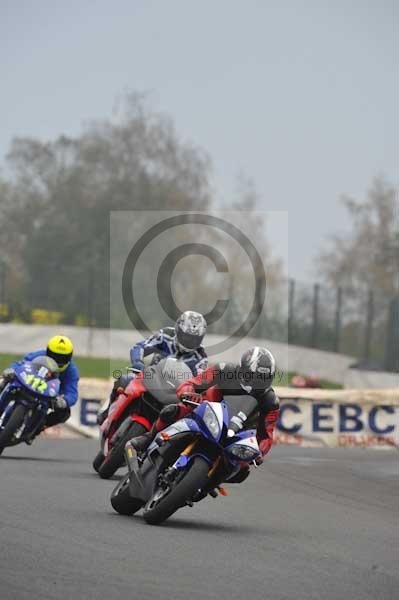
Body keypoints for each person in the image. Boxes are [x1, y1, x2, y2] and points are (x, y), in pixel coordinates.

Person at [130, 346, 280, 485]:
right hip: (206, 412)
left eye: (263, 379)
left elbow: (267, 434)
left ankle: (209, 483)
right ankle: (149, 438)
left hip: (234, 433)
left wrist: (260, 451)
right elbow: (193, 383)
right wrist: (187, 393)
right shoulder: (224, 370)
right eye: (254, 376)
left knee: (243, 469)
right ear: (243, 369)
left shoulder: (270, 400)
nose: (257, 383)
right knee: (172, 411)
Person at [97, 311, 208, 425]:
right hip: (149, 378)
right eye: (186, 337)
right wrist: (138, 362)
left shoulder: (200, 357)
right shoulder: (166, 335)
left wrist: (192, 392)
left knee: (181, 414)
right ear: (178, 330)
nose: (189, 342)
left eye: (195, 339)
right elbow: (140, 347)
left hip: (173, 395)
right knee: (124, 380)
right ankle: (107, 413)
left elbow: (200, 383)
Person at [0, 335, 79, 441]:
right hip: (27, 383)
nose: (57, 360)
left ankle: (37, 429)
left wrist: (64, 401)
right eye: (54, 356)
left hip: (48, 394)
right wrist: (11, 370)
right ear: (48, 352)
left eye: (62, 358)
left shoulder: (72, 370)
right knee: (6, 380)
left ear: (69, 357)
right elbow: (21, 364)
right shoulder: (37, 355)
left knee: (64, 412)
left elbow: (72, 392)